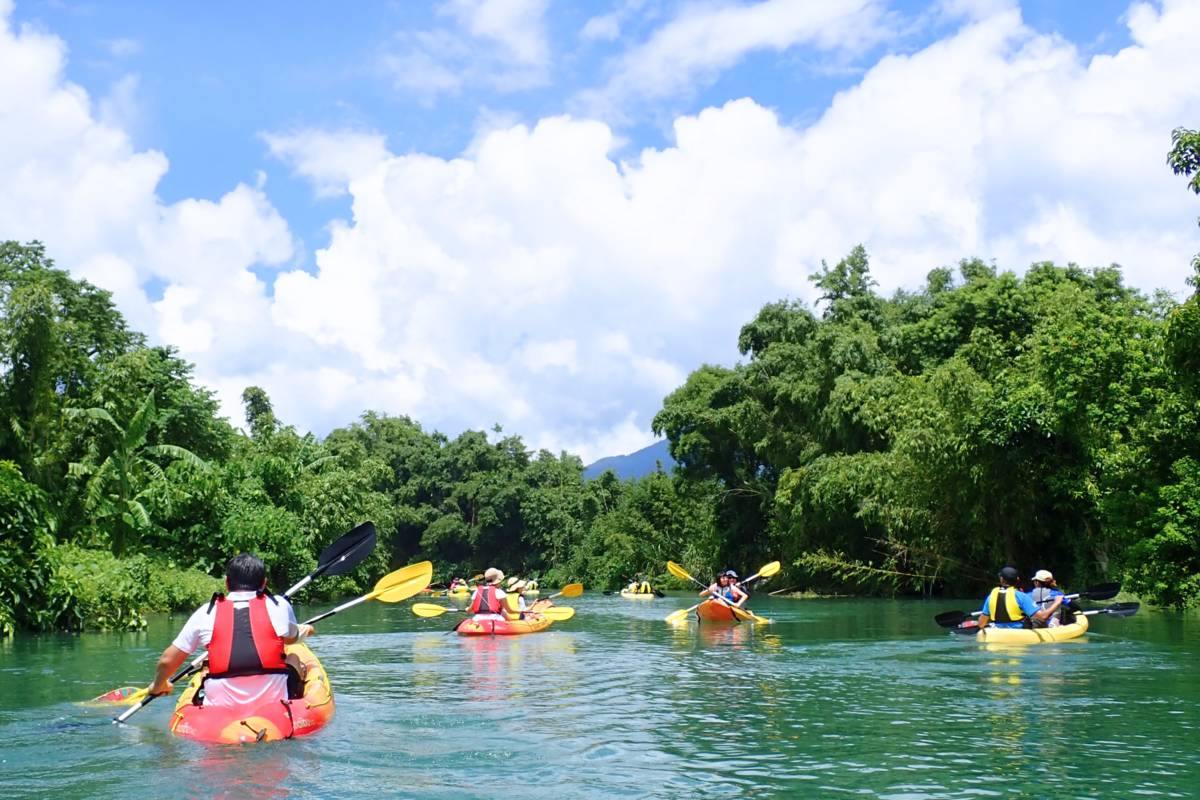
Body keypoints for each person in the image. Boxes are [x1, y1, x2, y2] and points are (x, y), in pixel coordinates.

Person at [147, 553, 314, 708]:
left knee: (206, 668)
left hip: (220, 705)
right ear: (264, 583)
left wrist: (158, 685)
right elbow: (291, 639)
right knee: (293, 656)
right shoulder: (279, 604)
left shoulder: (207, 611)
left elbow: (167, 661)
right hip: (273, 701)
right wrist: (303, 631)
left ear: (227, 583)